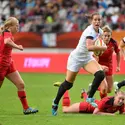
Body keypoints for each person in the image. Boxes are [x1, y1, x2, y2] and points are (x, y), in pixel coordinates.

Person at [52, 12, 107, 116]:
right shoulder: (90, 31)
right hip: (76, 58)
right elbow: (89, 47)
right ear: (91, 21)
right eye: (95, 20)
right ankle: (55, 103)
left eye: (99, 20)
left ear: (101, 21)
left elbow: (95, 47)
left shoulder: (100, 31)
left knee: (100, 74)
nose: (97, 21)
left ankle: (90, 98)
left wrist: (98, 52)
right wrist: (102, 48)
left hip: (87, 58)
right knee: (68, 84)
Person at [0, 17, 38, 115]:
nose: (18, 27)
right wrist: (18, 47)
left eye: (18, 25)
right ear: (9, 26)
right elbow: (6, 42)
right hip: (2, 64)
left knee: (20, 84)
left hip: (9, 63)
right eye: (16, 25)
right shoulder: (7, 32)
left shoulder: (5, 32)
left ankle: (26, 108)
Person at [89, 25, 120, 99]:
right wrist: (99, 67)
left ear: (111, 36)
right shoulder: (97, 43)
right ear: (102, 36)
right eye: (105, 36)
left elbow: (118, 53)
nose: (107, 37)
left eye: (108, 36)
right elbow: (93, 56)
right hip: (99, 65)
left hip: (109, 66)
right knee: (104, 89)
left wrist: (118, 65)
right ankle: (103, 104)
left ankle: (93, 87)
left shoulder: (114, 43)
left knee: (109, 90)